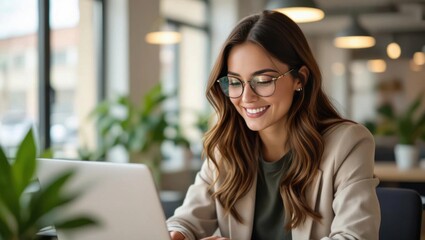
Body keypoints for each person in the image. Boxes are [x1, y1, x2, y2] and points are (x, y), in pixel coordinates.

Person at [167, 10, 380, 240]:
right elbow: (187, 220)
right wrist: (176, 235)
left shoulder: (348, 143)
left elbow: (354, 237)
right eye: (235, 82)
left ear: (300, 79)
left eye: (263, 80)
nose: (246, 97)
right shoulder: (226, 146)